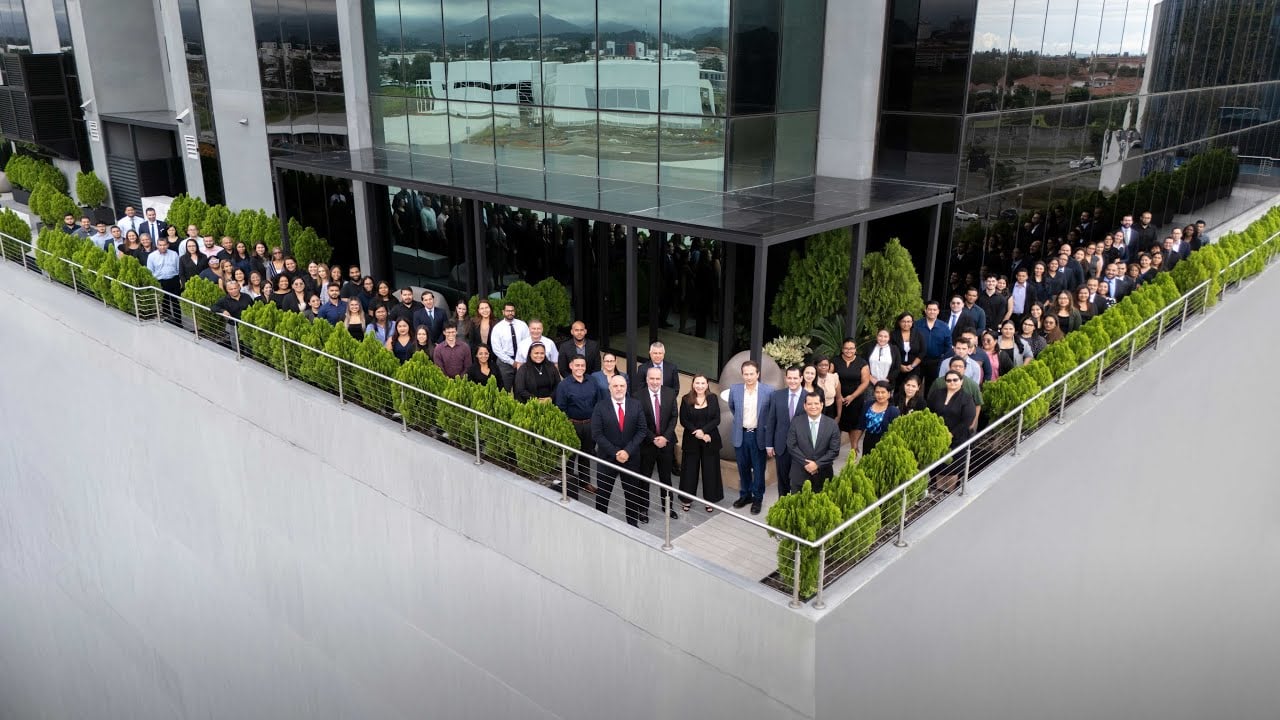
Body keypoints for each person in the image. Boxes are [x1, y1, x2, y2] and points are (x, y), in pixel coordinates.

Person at [590, 374, 648, 526]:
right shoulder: (600, 407)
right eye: (615, 386)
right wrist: (616, 452)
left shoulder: (636, 405)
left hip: (631, 459)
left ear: (626, 387)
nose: (619, 389)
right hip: (608, 459)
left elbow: (642, 430)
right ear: (610, 388)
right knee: (603, 494)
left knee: (631, 495)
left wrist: (627, 451)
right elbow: (597, 434)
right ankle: (600, 523)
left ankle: (632, 525)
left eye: (622, 386)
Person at [727, 360, 773, 515]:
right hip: (741, 434)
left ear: (758, 374)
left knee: (759, 469)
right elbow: (733, 408)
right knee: (743, 467)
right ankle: (745, 495)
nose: (748, 377)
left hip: (759, 436)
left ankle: (757, 498)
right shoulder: (735, 389)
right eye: (745, 374)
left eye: (751, 374)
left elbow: (771, 415)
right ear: (742, 374)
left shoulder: (768, 391)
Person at [554, 356, 603, 498]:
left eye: (582, 365)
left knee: (585, 454)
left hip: (589, 424)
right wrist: (567, 424)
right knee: (570, 455)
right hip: (572, 424)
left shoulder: (592, 381)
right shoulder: (564, 385)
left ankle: (584, 481)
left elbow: (598, 402)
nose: (580, 368)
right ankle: (569, 483)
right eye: (577, 365)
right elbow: (560, 407)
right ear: (571, 366)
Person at [637, 366, 679, 521]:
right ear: (647, 379)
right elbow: (639, 421)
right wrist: (654, 438)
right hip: (647, 444)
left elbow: (674, 417)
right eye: (652, 378)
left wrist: (665, 437)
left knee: (666, 478)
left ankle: (668, 506)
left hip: (666, 444)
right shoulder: (638, 396)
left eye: (657, 379)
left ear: (661, 379)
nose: (655, 382)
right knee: (644, 478)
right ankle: (643, 509)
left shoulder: (669, 393)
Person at [678, 375, 723, 512]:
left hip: (709, 440)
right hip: (691, 440)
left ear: (707, 384)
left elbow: (716, 419)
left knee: (711, 471)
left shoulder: (713, 398)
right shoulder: (686, 399)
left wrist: (703, 432)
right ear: (693, 384)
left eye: (703, 383)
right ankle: (686, 500)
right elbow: (683, 420)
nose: (700, 386)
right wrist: (697, 432)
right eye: (697, 383)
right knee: (689, 472)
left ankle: (710, 501)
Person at [764, 367, 809, 497]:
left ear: (801, 378)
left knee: (798, 480)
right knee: (782, 480)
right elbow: (771, 421)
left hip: (801, 448)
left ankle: (795, 508)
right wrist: (769, 444)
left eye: (795, 378)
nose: (792, 381)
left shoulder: (809, 398)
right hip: (781, 446)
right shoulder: (777, 395)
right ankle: (782, 505)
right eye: (789, 378)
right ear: (786, 378)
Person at [786, 393, 843, 493]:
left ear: (822, 405)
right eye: (809, 404)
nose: (813, 407)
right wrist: (807, 464)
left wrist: (817, 464)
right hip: (799, 474)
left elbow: (834, 450)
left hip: (823, 476)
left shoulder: (832, 424)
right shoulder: (796, 422)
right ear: (804, 406)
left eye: (816, 403)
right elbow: (791, 446)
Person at [833, 338, 872, 448]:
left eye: (851, 348)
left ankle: (854, 448)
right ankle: (834, 449)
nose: (848, 350)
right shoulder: (835, 361)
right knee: (837, 424)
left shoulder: (862, 362)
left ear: (855, 349)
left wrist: (853, 396)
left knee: (854, 425)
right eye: (846, 348)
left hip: (855, 398)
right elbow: (830, 378)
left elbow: (865, 382)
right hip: (837, 398)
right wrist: (839, 396)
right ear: (842, 349)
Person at [489, 301, 530, 389]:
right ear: (503, 312)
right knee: (504, 390)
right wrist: (511, 362)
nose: (510, 313)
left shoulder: (522, 325)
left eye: (512, 310)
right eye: (508, 311)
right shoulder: (498, 328)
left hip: (521, 362)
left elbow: (527, 343)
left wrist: (521, 360)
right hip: (504, 363)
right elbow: (496, 349)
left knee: (521, 389)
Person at [146, 237, 181, 323]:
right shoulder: (151, 256)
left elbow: (178, 268)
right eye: (160, 245)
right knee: (164, 301)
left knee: (175, 301)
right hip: (160, 281)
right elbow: (150, 271)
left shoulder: (174, 254)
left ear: (168, 245)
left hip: (173, 280)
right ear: (157, 245)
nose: (162, 247)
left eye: (164, 245)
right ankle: (168, 321)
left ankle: (178, 321)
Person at [918, 300, 952, 382]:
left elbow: (948, 346)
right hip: (918, 361)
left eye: (934, 310)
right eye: (929, 309)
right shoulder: (917, 325)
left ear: (938, 311)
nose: (932, 312)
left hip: (935, 362)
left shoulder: (944, 327)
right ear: (925, 310)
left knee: (931, 387)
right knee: (914, 384)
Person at [889, 313, 926, 385]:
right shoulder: (893, 335)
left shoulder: (918, 334)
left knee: (911, 389)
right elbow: (890, 352)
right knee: (898, 390)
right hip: (897, 368)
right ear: (899, 322)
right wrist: (900, 366)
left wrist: (912, 366)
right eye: (903, 321)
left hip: (914, 368)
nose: (906, 324)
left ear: (912, 322)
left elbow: (923, 351)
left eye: (908, 321)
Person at [814, 356, 841, 421]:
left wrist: (838, 416)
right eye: (820, 365)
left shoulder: (834, 377)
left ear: (829, 366)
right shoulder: (812, 378)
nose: (823, 367)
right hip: (815, 410)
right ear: (816, 366)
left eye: (826, 365)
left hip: (831, 411)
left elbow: (838, 398)